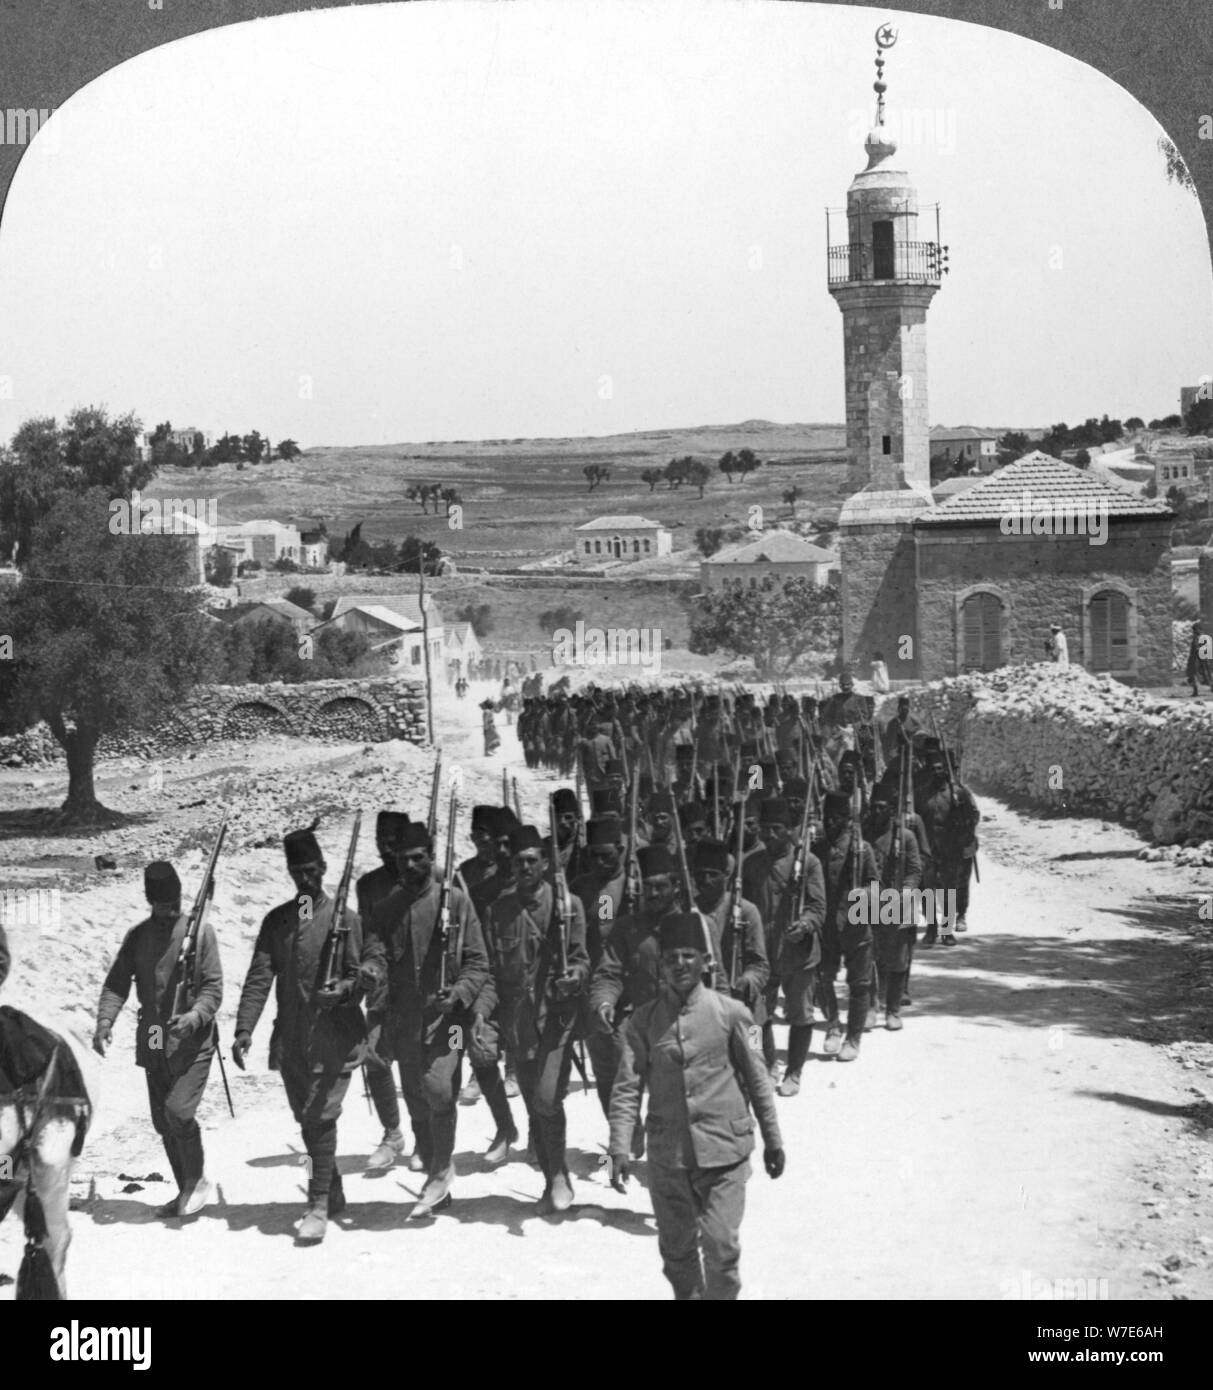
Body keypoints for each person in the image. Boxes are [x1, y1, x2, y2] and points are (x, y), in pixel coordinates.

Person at [608, 913, 785, 1301]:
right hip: (668, 1156)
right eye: (671, 957)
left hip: (725, 1151)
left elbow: (759, 1080)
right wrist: (619, 1148)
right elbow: (626, 1088)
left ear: (706, 961)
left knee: (721, 1247)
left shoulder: (737, 1014)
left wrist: (773, 1139)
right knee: (675, 1252)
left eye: (689, 956)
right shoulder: (642, 1021)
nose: (679, 965)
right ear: (661, 965)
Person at [233, 824, 366, 1243]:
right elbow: (259, 978)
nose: (305, 879)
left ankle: (317, 1204)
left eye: (311, 870)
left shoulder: (346, 920)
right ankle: (333, 1184)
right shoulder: (278, 922)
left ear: (323, 867)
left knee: (319, 1115)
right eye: (297, 872)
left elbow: (364, 976)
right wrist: (243, 1029)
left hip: (336, 1036)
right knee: (306, 1119)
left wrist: (344, 990)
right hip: (292, 1039)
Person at [361, 822, 489, 1218]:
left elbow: (477, 961)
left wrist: (462, 992)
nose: (412, 865)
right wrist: (369, 971)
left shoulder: (457, 902)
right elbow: (375, 953)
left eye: (420, 857)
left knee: (438, 1089)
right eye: (404, 859)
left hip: (450, 1022)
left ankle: (439, 1169)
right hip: (406, 1020)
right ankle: (438, 1172)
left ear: (432, 857)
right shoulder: (386, 909)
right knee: (418, 1100)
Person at [94, 860, 223, 1219]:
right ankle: (186, 1189)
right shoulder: (138, 936)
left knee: (178, 1111)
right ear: (151, 901)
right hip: (152, 1037)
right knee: (162, 1121)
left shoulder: (200, 934)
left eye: (173, 903)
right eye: (161, 904)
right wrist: (105, 1020)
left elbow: (213, 988)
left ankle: (197, 1180)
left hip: (193, 1042)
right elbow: (117, 982)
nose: (169, 910)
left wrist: (196, 1015)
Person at [485, 826, 589, 1213]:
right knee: (535, 1106)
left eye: (533, 860)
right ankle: (553, 1177)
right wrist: (484, 1020)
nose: (526, 867)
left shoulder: (569, 905)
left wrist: (574, 977)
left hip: (556, 1019)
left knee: (547, 1100)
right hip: (518, 1025)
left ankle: (559, 1174)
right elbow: (492, 971)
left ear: (546, 863)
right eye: (519, 862)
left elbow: (582, 958)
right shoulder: (498, 910)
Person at [357, 811, 413, 1173]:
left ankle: (426, 1137)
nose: (386, 848)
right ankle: (392, 1133)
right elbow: (369, 934)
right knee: (374, 1058)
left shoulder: (426, 879)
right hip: (381, 985)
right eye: (381, 842)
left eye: (393, 841)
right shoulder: (368, 885)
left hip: (417, 987)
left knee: (416, 1064)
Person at [813, 791, 879, 1062]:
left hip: (856, 926)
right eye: (827, 817)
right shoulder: (816, 848)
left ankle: (853, 1038)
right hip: (826, 927)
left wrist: (863, 896)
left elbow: (875, 884)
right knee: (822, 980)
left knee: (859, 985)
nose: (831, 823)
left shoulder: (862, 849)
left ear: (848, 819)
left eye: (837, 818)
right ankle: (832, 1027)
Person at [1186, 620, 1213, 697]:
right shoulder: (1202, 636)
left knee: (1195, 674)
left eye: (1194, 629)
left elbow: (1197, 648)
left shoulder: (1200, 637)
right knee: (1204, 674)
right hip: (1201, 658)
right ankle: (1197, 690)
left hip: (1198, 659)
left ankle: (1196, 691)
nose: (1194, 631)